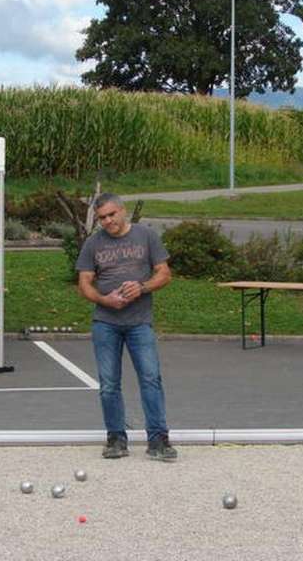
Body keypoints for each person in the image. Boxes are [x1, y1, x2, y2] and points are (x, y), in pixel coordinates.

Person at [75, 193, 178, 461]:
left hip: (139, 322)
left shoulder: (146, 236)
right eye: (102, 218)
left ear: (123, 211)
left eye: (112, 214)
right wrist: (103, 299)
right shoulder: (93, 243)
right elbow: (84, 282)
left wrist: (141, 287)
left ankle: (158, 439)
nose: (108, 221)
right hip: (105, 323)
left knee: (150, 379)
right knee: (109, 384)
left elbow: (164, 273)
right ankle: (116, 438)